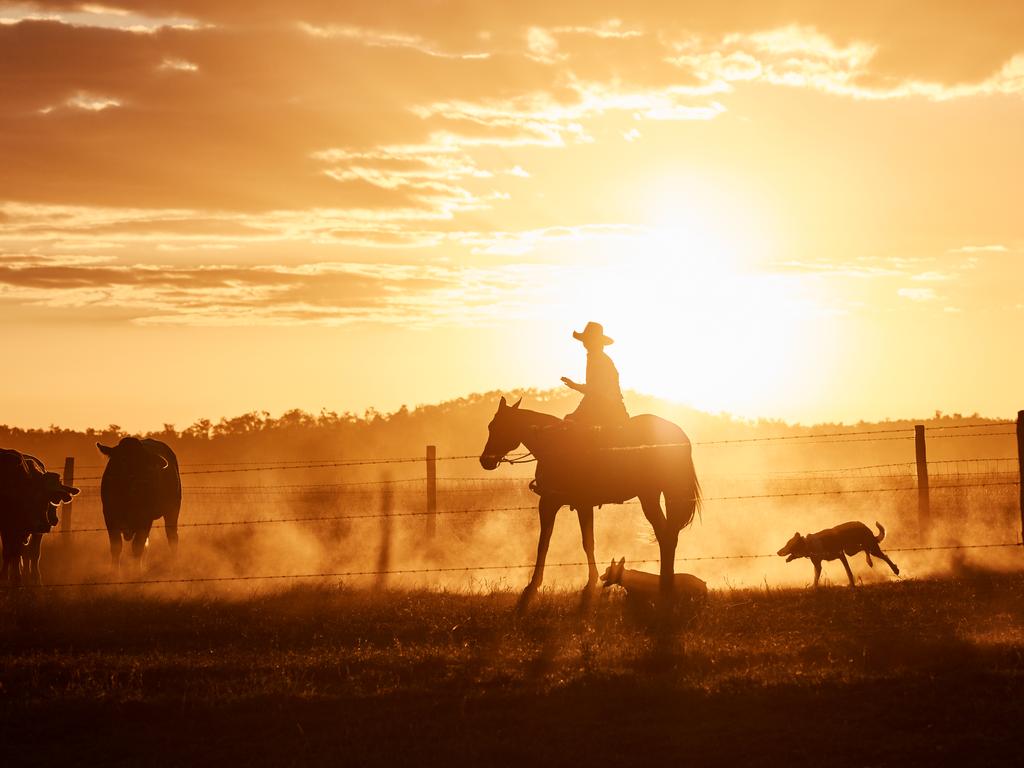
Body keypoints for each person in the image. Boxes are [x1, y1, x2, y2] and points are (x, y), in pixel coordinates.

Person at [561, 321, 630, 428]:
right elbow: (592, 393)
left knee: (572, 424)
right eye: (585, 340)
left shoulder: (599, 360)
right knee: (570, 420)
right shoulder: (596, 358)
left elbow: (595, 390)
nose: (586, 343)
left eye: (589, 340)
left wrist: (574, 386)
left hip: (607, 407)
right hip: (599, 404)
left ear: (597, 342)